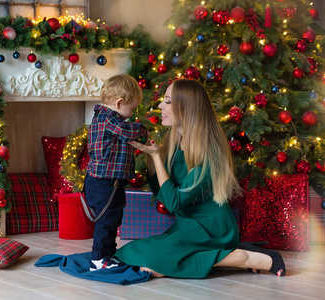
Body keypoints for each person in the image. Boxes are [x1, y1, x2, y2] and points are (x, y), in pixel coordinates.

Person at [114, 79, 286, 278]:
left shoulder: (208, 154)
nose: (160, 105)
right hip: (187, 226)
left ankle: (250, 258)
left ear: (186, 108)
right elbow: (162, 194)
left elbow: (173, 202)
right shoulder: (174, 143)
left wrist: (154, 156)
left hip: (212, 229)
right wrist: (150, 154)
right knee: (132, 251)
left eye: (168, 101)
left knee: (154, 259)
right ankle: (223, 256)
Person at [84, 74, 148, 271]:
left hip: (108, 181)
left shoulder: (107, 119)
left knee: (113, 218)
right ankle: (99, 258)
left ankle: (108, 254)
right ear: (119, 103)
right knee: (106, 220)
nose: (132, 113)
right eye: (132, 108)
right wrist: (142, 129)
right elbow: (128, 132)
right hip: (105, 182)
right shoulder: (109, 118)